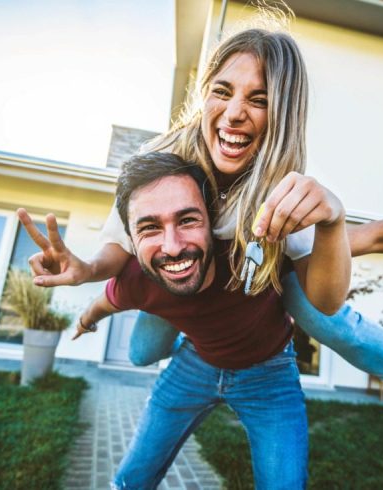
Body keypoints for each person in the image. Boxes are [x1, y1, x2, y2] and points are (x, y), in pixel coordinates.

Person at [18, 25, 383, 456]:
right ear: (203, 94)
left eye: (259, 99)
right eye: (222, 91)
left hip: (263, 329)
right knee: (144, 343)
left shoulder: (281, 195)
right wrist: (85, 274)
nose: (234, 113)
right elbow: (118, 254)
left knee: (313, 305)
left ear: (283, 112)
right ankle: (176, 324)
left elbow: (373, 237)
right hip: (178, 308)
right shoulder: (157, 166)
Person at [65, 151, 349, 488]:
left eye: (187, 220)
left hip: (269, 373)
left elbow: (374, 237)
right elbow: (104, 303)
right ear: (130, 238)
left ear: (213, 223)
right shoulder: (138, 278)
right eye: (150, 227)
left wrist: (335, 218)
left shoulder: (259, 248)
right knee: (131, 477)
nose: (172, 247)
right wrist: (85, 320)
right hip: (194, 365)